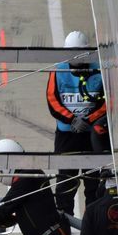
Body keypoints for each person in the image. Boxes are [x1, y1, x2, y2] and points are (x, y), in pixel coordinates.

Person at [46, 31, 106, 215]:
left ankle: (93, 224)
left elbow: (107, 102)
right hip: (67, 136)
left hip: (92, 135)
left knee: (94, 185)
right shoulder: (58, 71)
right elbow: (52, 100)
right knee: (65, 184)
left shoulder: (99, 70)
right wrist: (72, 119)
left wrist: (89, 120)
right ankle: (64, 221)